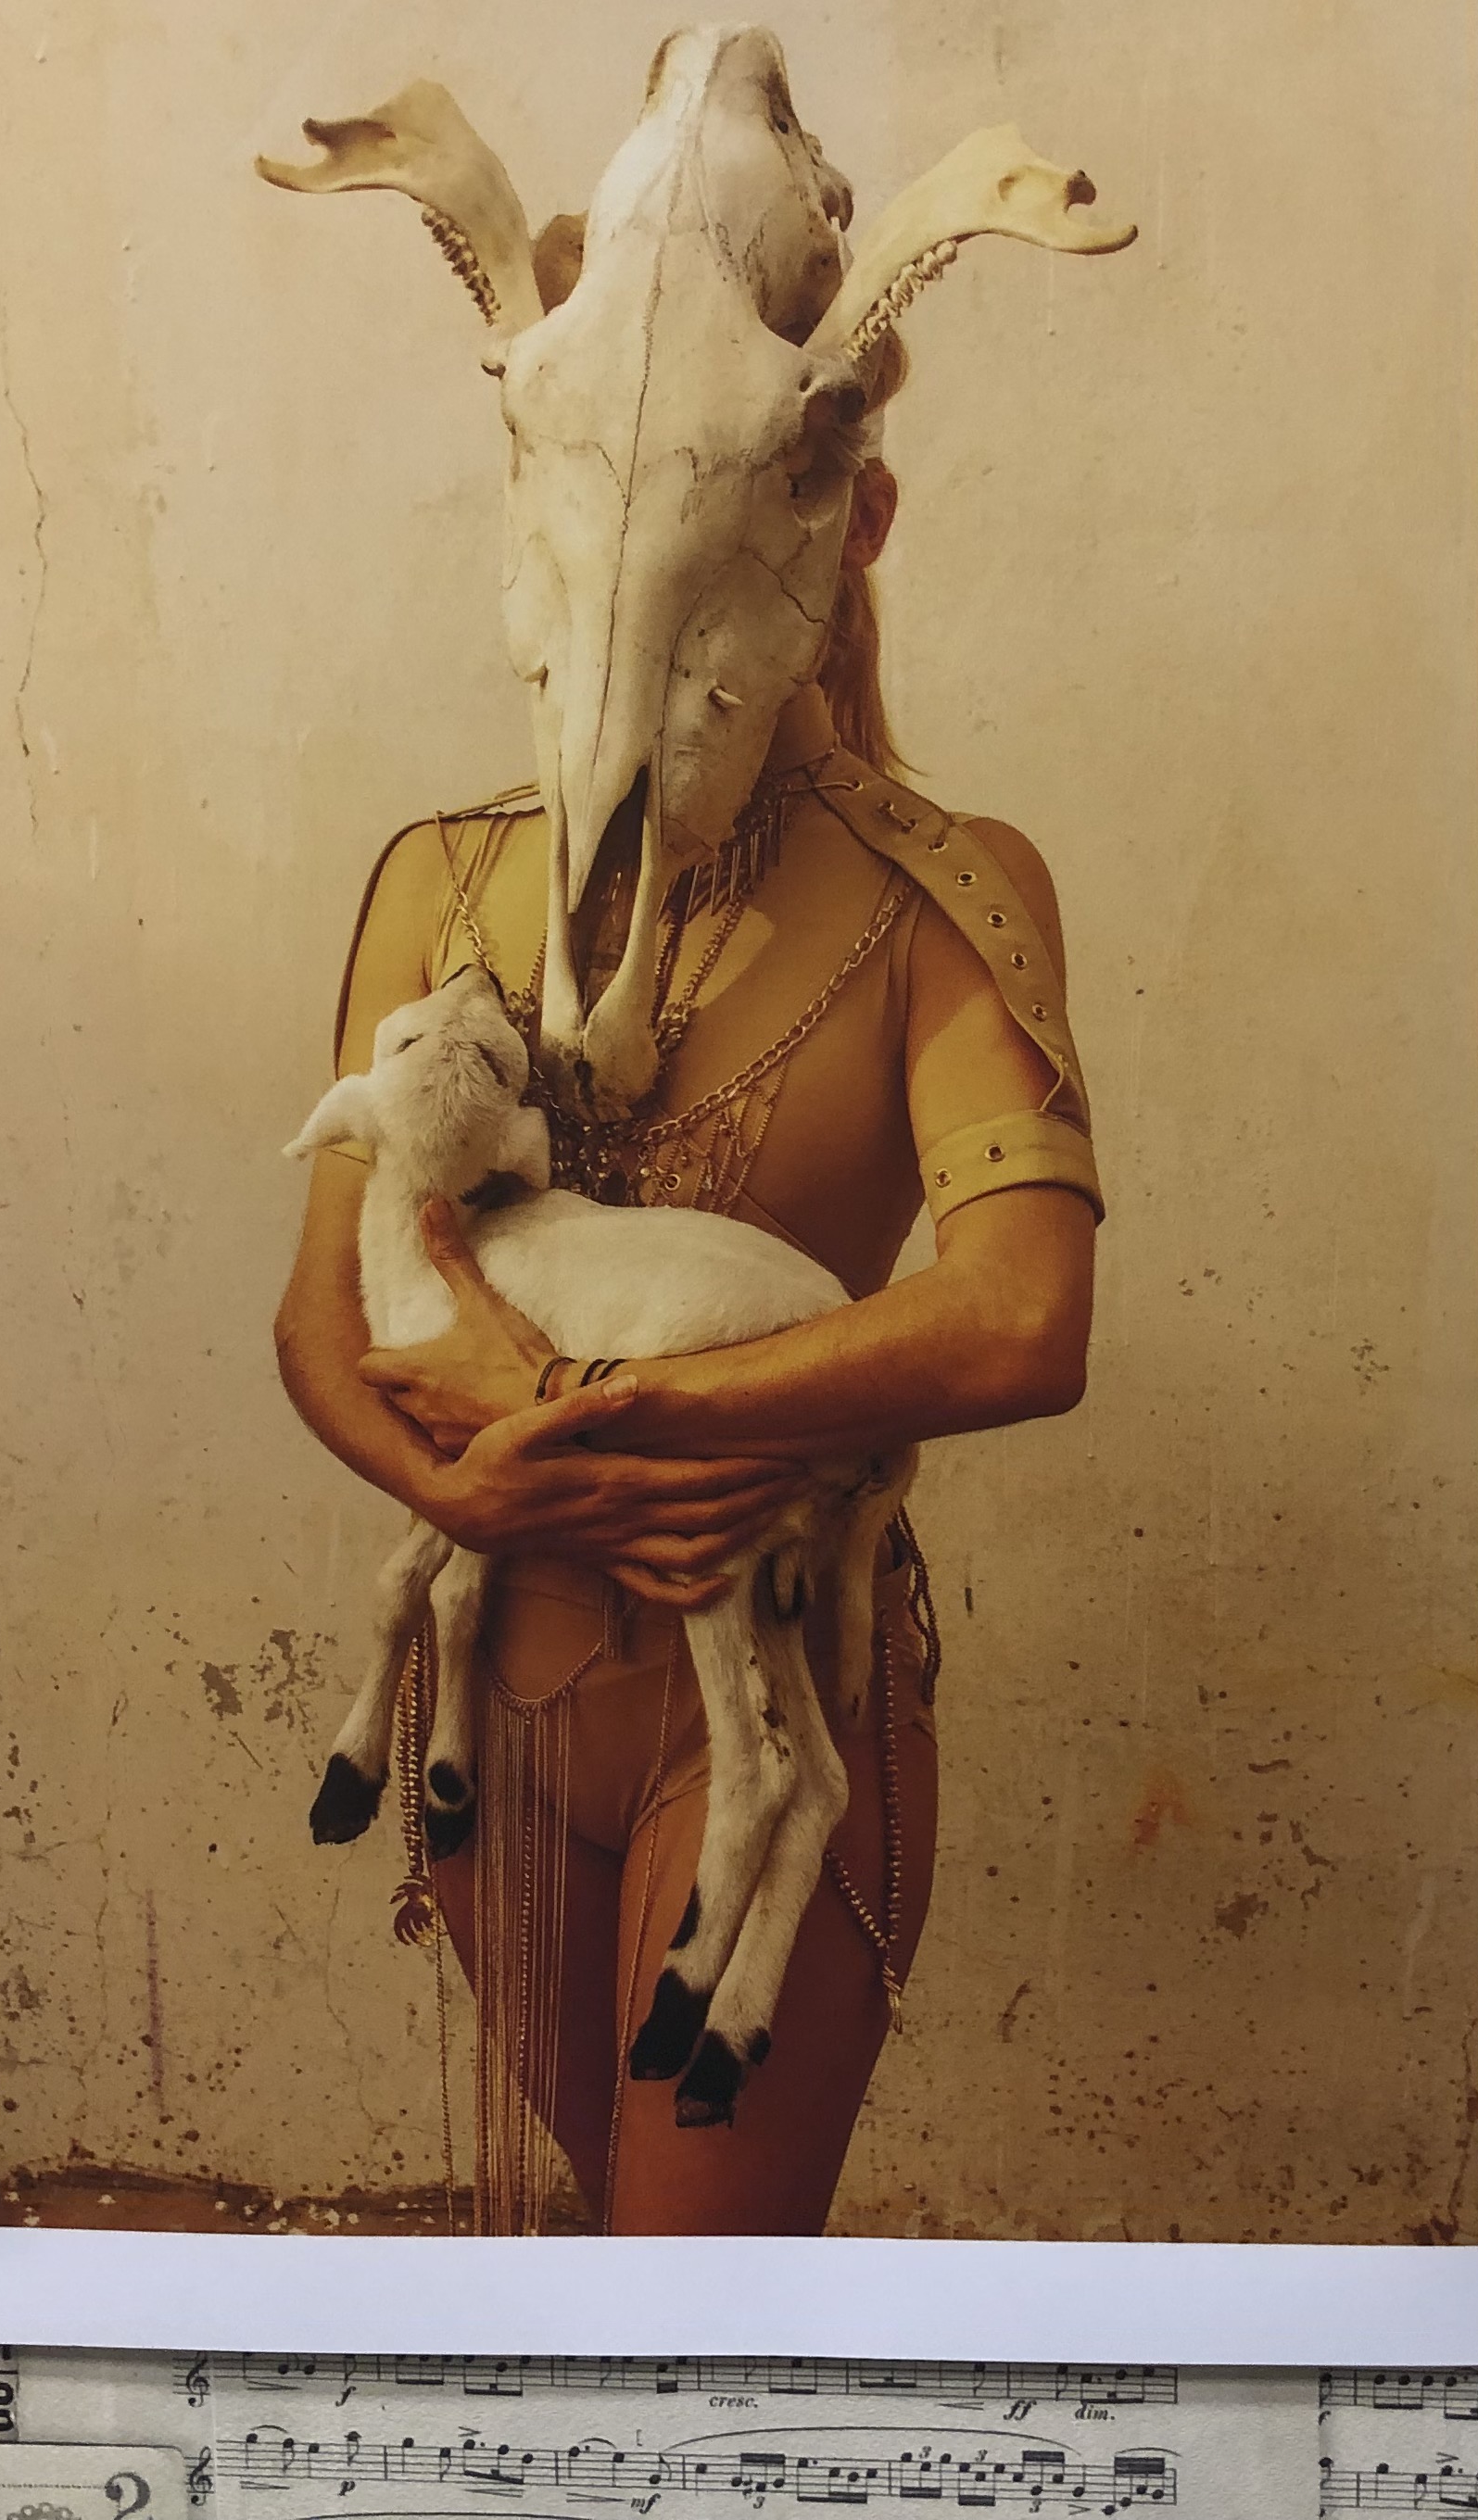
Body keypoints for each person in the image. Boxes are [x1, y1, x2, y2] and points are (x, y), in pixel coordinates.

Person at [272, 433, 1099, 2238]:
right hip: (488, 1702)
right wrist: (476, 1501)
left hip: (768, 1693)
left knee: (700, 2279)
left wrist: (576, 1401)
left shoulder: (952, 890)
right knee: (612, 2270)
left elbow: (1024, 1317)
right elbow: (323, 1318)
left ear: (854, 515)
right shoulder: (443, 878)